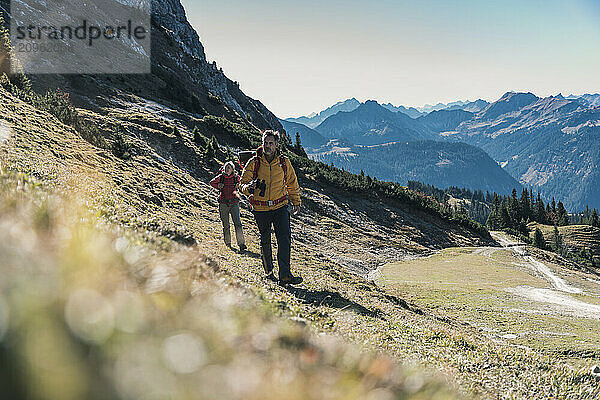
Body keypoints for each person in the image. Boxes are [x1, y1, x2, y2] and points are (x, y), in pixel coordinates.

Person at [240, 130, 303, 285]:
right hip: (260, 208)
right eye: (265, 143)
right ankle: (269, 273)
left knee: (284, 239)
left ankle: (285, 276)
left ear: (276, 145)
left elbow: (292, 183)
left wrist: (296, 202)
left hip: (280, 206)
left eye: (271, 143)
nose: (267, 146)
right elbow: (242, 184)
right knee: (265, 240)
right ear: (262, 143)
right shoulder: (254, 162)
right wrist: (249, 187)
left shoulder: (284, 162)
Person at [210, 161, 247, 252]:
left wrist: (239, 185)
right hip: (223, 203)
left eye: (228, 168)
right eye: (226, 168)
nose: (227, 169)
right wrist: (218, 186)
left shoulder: (236, 177)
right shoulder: (221, 177)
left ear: (232, 170)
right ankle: (228, 243)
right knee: (225, 224)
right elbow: (211, 182)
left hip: (234, 203)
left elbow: (243, 183)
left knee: (238, 224)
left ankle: (241, 244)